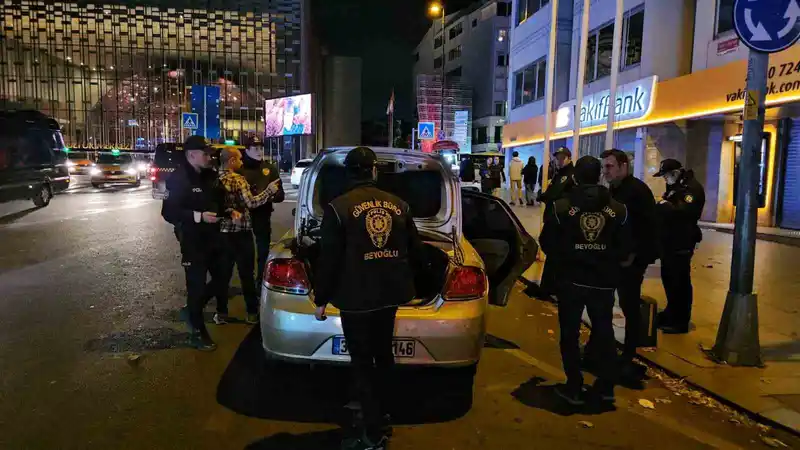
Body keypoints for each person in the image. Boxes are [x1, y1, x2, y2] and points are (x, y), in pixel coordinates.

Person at [314, 147, 426, 450]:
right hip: (390, 295)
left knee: (363, 364)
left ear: (349, 173)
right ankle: (384, 415)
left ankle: (372, 435)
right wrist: (415, 286)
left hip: (356, 299)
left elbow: (329, 260)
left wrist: (321, 298)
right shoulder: (399, 205)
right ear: (374, 171)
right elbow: (416, 251)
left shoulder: (337, 208)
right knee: (384, 356)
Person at [539, 155, 633, 405]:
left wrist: (565, 259)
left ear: (576, 177)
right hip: (604, 281)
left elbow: (547, 242)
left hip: (571, 280)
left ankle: (574, 386)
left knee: (570, 334)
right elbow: (626, 246)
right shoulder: (619, 209)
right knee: (604, 332)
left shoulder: (561, 208)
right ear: (599, 175)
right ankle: (606, 386)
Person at [161, 136, 229, 351]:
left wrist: (228, 211)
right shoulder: (178, 178)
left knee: (222, 277)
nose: (210, 157)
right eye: (205, 154)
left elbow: (219, 200)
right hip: (192, 239)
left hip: (214, 236)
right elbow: (169, 212)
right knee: (196, 285)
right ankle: (197, 332)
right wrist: (198, 216)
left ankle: (192, 310)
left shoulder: (210, 175)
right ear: (191, 155)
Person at [599, 149, 657, 380]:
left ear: (623, 166)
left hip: (631, 261)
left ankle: (629, 352)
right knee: (611, 302)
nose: (605, 171)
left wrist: (633, 255)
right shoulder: (615, 189)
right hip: (617, 258)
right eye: (604, 167)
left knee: (629, 305)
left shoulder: (637, 191)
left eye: (609, 166)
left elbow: (646, 229)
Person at [217, 147, 281, 325]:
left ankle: (221, 313)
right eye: (239, 159)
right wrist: (269, 190)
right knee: (246, 274)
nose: (241, 162)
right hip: (241, 234)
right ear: (231, 161)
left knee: (223, 274)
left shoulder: (214, 178)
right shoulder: (238, 179)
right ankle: (252, 313)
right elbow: (251, 203)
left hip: (221, 233)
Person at [654, 159, 706, 334]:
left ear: (675, 173)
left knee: (679, 281)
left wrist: (665, 206)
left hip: (682, 241)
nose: (665, 179)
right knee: (669, 278)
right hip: (670, 241)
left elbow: (685, 212)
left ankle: (680, 320)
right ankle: (671, 312)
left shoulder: (691, 189)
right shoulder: (676, 186)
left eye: (666, 176)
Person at [241, 144, 285, 290]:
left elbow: (280, 195)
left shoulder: (269, 168)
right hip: (243, 216)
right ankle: (247, 284)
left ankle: (261, 281)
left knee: (263, 250)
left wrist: (267, 196)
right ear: (247, 150)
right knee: (245, 252)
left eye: (261, 148)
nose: (260, 152)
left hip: (263, 214)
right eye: (255, 149)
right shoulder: (240, 168)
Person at [538, 147, 576, 299]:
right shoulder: (560, 173)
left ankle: (550, 288)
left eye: (562, 157)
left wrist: (546, 196)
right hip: (553, 217)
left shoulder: (570, 175)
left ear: (568, 158)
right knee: (552, 254)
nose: (559, 160)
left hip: (559, 221)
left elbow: (557, 194)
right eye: (557, 157)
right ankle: (550, 287)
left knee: (555, 255)